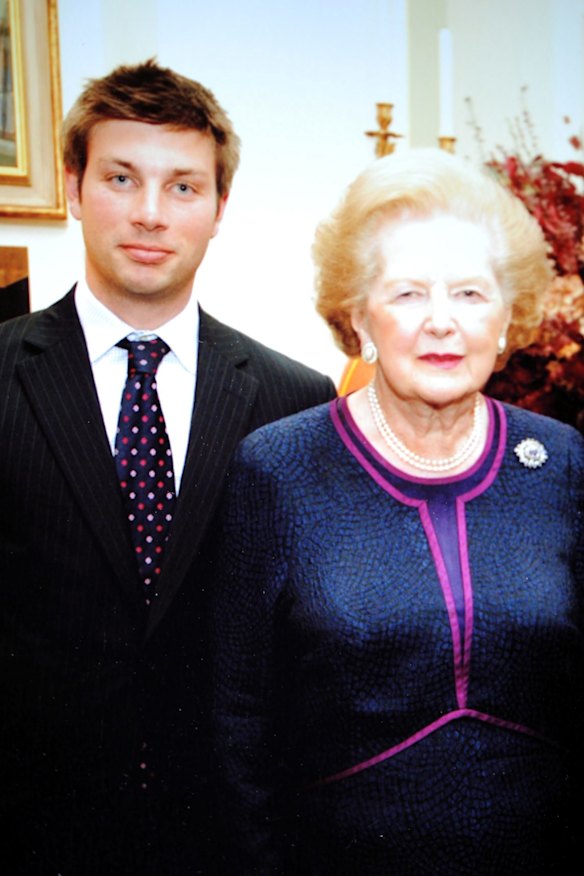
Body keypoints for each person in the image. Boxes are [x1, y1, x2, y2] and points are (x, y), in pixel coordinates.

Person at [0, 59, 335, 875]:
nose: (150, 213)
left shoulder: (295, 399)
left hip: (223, 835)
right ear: (74, 187)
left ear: (220, 208)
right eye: (121, 178)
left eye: (183, 187)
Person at [210, 148, 584, 874]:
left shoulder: (562, 461)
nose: (442, 322)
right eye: (408, 294)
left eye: (470, 294)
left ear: (507, 318)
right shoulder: (278, 468)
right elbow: (237, 722)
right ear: (359, 319)